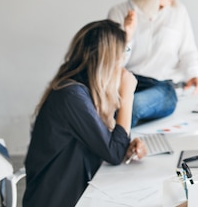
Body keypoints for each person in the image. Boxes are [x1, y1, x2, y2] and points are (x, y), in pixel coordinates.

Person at [23, 19, 147, 207]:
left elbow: (110, 147)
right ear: (108, 60)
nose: (123, 64)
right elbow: (113, 153)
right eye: (123, 54)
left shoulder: (81, 90)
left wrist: (126, 146)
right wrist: (127, 96)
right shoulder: (71, 96)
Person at [108, 0, 198, 127]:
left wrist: (193, 74)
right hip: (127, 82)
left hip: (163, 87)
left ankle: (114, 145)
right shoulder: (119, 13)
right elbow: (112, 64)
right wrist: (127, 36)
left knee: (132, 106)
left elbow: (187, 51)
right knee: (104, 106)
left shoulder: (178, 12)